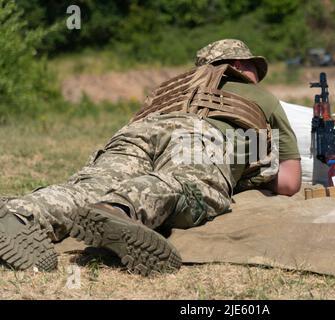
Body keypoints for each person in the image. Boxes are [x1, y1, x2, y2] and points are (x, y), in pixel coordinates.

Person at [0, 39, 301, 276]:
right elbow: (289, 182)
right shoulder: (261, 97)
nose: (257, 78)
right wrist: (249, 176)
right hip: (195, 135)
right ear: (237, 64)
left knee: (88, 187)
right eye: (253, 69)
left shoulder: (170, 91)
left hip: (137, 131)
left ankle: (21, 213)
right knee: (193, 188)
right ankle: (119, 209)